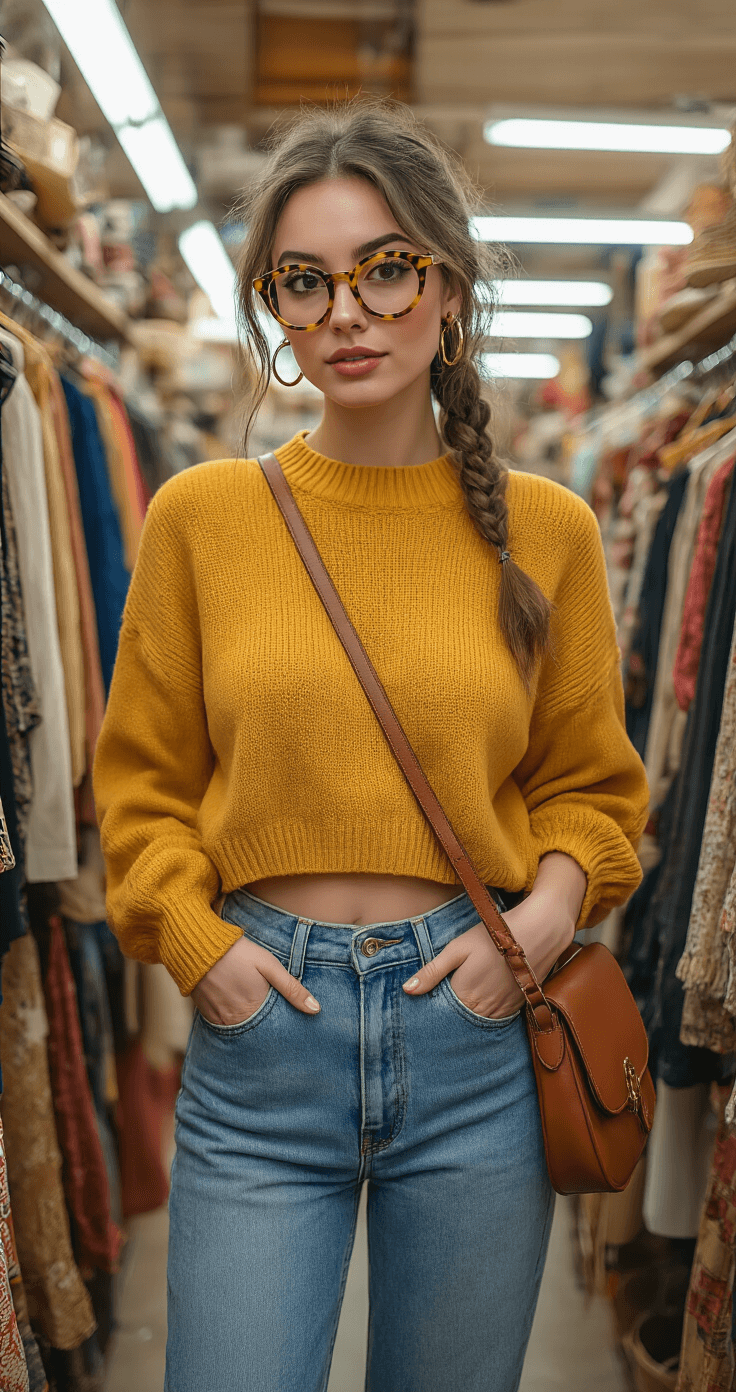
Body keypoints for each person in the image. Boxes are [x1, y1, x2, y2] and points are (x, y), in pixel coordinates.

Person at [93, 99, 649, 1392]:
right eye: (305, 281)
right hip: (258, 1038)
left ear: (447, 288)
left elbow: (590, 791)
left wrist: (547, 925)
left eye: (384, 269)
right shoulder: (204, 519)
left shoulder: (549, 531)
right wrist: (198, 947)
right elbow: (140, 784)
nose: (346, 311)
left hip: (474, 1034)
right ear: (276, 312)